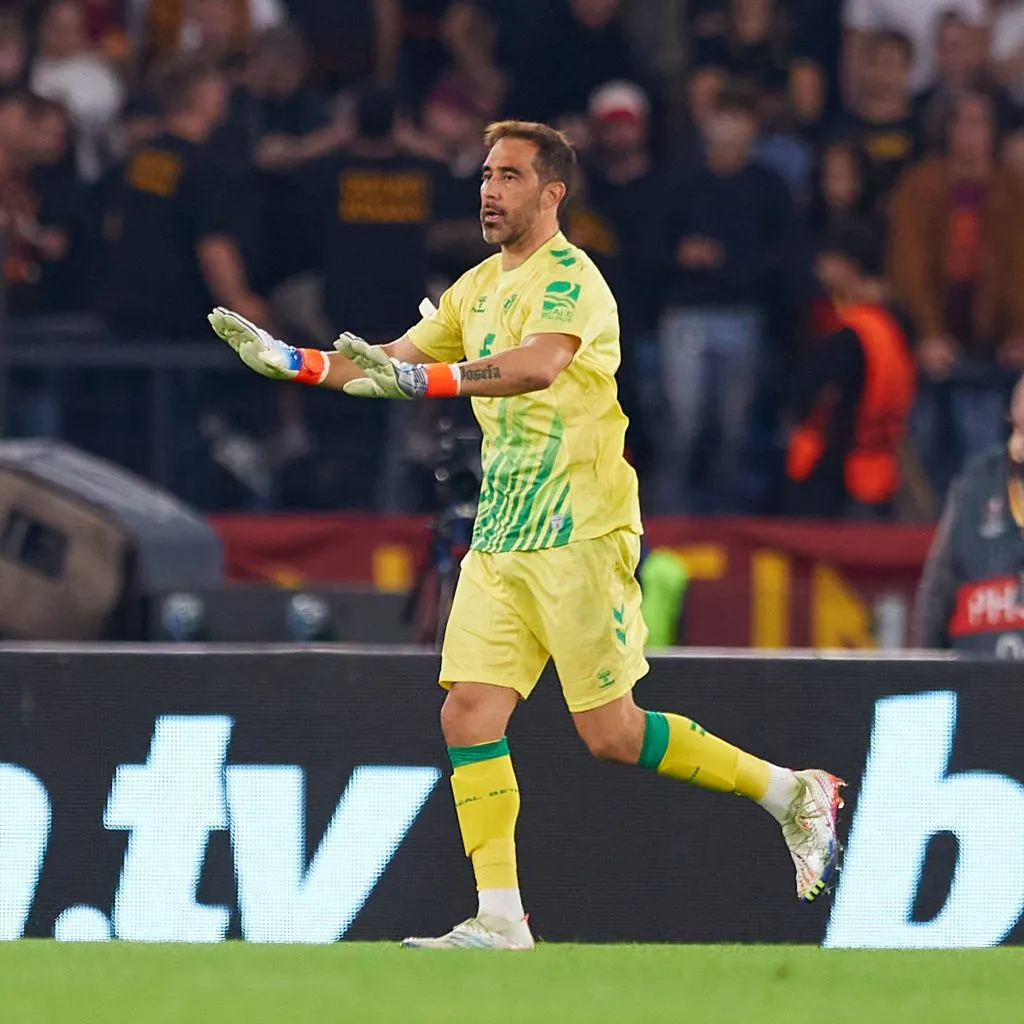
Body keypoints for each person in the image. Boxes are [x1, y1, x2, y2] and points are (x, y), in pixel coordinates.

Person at [209, 118, 845, 950]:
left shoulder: (572, 279)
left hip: (580, 531)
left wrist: (422, 377)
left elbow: (537, 364)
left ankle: (789, 792)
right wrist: (291, 363)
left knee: (611, 734)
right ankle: (500, 916)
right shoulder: (476, 287)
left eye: (508, 176)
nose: (487, 190)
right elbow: (387, 361)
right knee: (468, 713)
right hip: (502, 535)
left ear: (552, 193)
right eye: (484, 174)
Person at [654, 86, 797, 514]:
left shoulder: (768, 186)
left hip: (743, 315)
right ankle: (668, 522)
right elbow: (649, 247)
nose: (730, 128)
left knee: (733, 432)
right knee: (682, 426)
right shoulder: (681, 181)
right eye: (723, 116)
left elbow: (783, 252)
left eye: (740, 117)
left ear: (753, 128)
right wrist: (680, 255)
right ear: (706, 124)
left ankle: (726, 530)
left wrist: (734, 264)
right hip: (686, 315)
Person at [888, 87, 1024, 498]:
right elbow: (908, 266)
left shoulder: (1014, 190)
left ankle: (983, 534)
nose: (970, 132)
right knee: (924, 445)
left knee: (983, 443)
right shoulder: (919, 186)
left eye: (979, 122)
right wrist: (928, 332)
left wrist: (1020, 330)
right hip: (929, 342)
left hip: (995, 347)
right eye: (961, 121)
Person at [784, 224, 916, 519]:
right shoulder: (894, 322)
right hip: (880, 466)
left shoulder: (852, 332)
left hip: (839, 471)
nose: (819, 270)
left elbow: (809, 390)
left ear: (848, 267)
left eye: (828, 262)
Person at [912, 374, 1024, 659]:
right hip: (976, 683)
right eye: (1020, 427)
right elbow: (938, 586)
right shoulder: (976, 482)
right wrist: (923, 671)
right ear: (1010, 417)